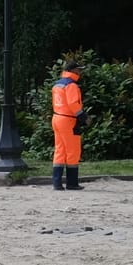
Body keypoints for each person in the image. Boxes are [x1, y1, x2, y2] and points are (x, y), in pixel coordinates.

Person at [49, 60, 85, 191]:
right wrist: (83, 117)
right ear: (73, 70)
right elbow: (73, 104)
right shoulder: (72, 85)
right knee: (73, 151)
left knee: (60, 150)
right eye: (79, 69)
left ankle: (57, 183)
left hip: (57, 118)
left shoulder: (57, 85)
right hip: (68, 120)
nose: (80, 72)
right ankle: (72, 183)